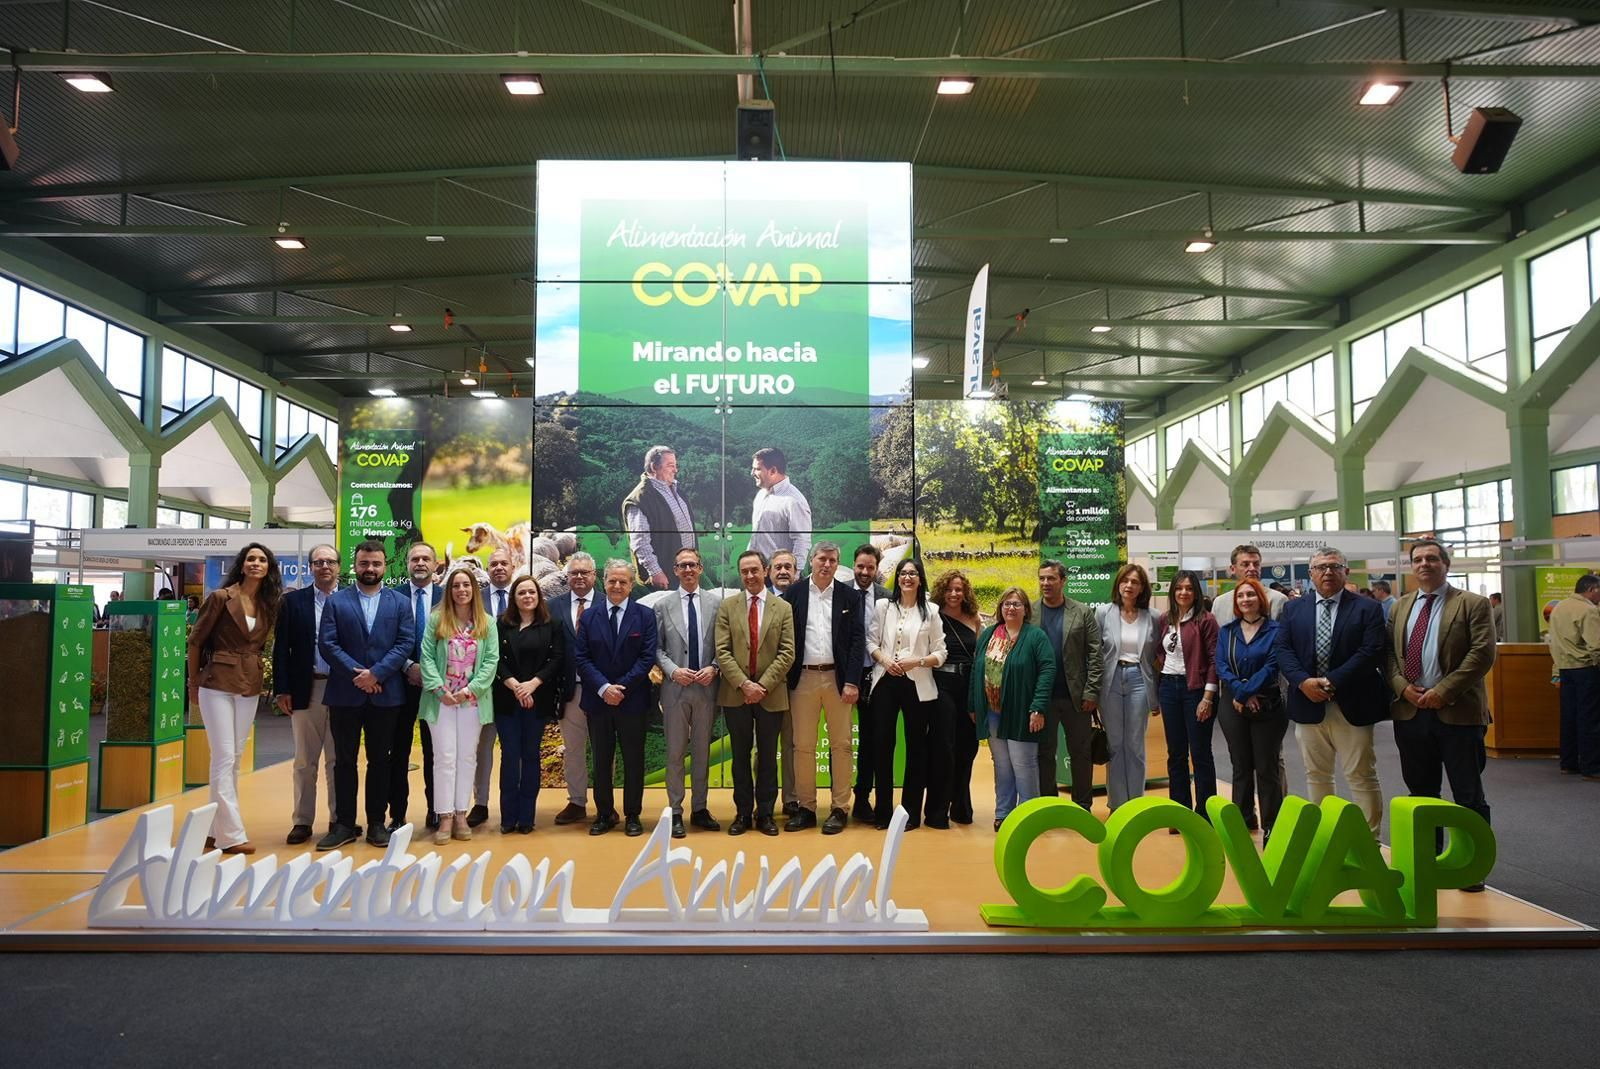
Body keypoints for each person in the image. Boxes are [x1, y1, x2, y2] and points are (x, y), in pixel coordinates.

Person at [1387, 539, 1496, 889]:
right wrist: (1403, 687)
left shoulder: (1472, 604)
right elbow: (1388, 656)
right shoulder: (1400, 607)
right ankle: (1428, 861)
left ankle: (1471, 867)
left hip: (1458, 713)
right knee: (1421, 793)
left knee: (1467, 794)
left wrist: (1442, 691)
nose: (1424, 564)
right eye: (1417, 559)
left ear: (1445, 564)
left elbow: (1481, 655)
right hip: (1411, 711)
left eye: (1432, 558)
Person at [1274, 546, 1390, 836]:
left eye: (1334, 567)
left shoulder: (1368, 608)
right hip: (1308, 704)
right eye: (1321, 567)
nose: (1328, 572)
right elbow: (1283, 650)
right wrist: (1303, 682)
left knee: (1361, 776)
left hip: (1353, 704)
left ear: (1346, 572)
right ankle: (1328, 837)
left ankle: (1368, 842)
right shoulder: (1293, 608)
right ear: (1311, 574)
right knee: (1317, 776)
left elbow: (1371, 651)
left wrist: (1330, 681)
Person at [316, 540, 415, 851]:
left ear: (385, 567)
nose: (370, 569)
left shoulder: (399, 603)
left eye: (375, 564)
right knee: (343, 761)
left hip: (386, 695)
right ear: (354, 566)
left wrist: (377, 674)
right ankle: (344, 823)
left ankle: (376, 822)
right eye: (364, 563)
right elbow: (328, 644)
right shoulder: (337, 602)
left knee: (380, 761)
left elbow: (404, 643)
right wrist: (359, 675)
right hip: (346, 694)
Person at [186, 542, 282, 856]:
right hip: (217, 680)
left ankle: (215, 831)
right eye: (251, 558)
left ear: (268, 568)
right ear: (242, 565)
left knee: (234, 759)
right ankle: (231, 835)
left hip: (250, 682)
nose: (256, 563)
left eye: (262, 559)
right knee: (224, 757)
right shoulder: (220, 598)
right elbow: (196, 641)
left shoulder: (269, 604)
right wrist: (193, 683)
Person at [781, 541, 865, 834]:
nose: (826, 564)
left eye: (831, 560)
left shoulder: (849, 597)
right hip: (801, 679)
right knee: (802, 746)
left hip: (838, 681)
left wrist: (852, 681)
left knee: (841, 746)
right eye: (821, 559)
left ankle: (840, 808)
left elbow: (857, 642)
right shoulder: (793, 594)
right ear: (811, 561)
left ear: (837, 563)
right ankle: (806, 808)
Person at [574, 558, 659, 836]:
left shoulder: (644, 616)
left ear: (632, 585)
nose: (617, 585)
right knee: (601, 760)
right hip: (598, 702)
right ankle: (603, 814)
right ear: (604, 582)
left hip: (632, 701)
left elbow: (646, 658)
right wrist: (603, 688)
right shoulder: (589, 616)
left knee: (633, 760)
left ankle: (633, 815)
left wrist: (620, 688)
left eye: (623, 581)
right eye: (612, 580)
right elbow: (582, 657)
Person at [715, 550, 797, 837]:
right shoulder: (728, 606)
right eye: (744, 571)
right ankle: (741, 814)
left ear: (765, 570)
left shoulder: (782, 608)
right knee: (739, 757)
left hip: (770, 695)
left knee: (766, 757)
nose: (750, 576)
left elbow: (788, 653)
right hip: (736, 694)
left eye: (754, 570)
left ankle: (765, 814)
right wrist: (744, 684)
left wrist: (762, 686)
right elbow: (722, 652)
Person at [1210, 544, 1289, 831]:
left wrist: (1252, 691)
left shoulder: (1278, 608)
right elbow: (1220, 663)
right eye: (1245, 563)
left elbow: (1275, 661)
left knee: (1269, 765)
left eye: (1256, 563)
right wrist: (1240, 692)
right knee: (1240, 764)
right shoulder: (1224, 617)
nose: (1251, 568)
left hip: (1268, 697)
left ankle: (1274, 825)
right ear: (1233, 568)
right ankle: (1243, 820)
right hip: (1233, 700)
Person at [419, 566, 500, 845]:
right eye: (456, 586)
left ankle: (462, 814)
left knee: (467, 758)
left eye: (466, 585)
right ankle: (445, 816)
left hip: (472, 701)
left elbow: (491, 662)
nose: (461, 590)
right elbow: (426, 656)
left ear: (474, 590)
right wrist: (439, 689)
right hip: (440, 700)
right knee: (444, 757)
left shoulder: (487, 622)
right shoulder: (436, 620)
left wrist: (469, 690)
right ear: (449, 590)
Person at [868, 557, 949, 830]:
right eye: (903, 573)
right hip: (886, 681)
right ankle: (882, 813)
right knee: (881, 747)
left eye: (912, 573)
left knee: (916, 748)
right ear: (897, 578)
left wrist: (919, 661)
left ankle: (910, 814)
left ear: (920, 578)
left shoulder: (932, 612)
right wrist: (885, 660)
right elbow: (871, 641)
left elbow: (941, 651)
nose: (907, 578)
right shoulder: (883, 606)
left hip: (918, 683)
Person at [970, 588, 1056, 830]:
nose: (1011, 608)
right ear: (1000, 607)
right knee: (1002, 765)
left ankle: (1029, 816)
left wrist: (1038, 708)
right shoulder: (988, 635)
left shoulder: (1035, 636)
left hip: (1022, 712)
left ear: (1025, 609)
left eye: (1017, 604)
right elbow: (976, 670)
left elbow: (1047, 671)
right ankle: (1004, 813)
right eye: (1007, 603)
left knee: (1024, 764)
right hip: (992, 713)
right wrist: (973, 704)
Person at [273, 543, 342, 845]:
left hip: (343, 690)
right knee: (304, 760)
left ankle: (340, 819)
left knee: (339, 760)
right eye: (318, 562)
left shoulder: (352, 599)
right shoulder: (293, 602)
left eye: (329, 561)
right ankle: (302, 820)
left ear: (339, 567)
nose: (324, 566)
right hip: (306, 688)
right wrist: (282, 689)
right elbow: (281, 649)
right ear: (310, 568)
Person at [654, 547, 723, 838]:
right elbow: (655, 648)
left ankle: (700, 808)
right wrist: (672, 670)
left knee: (702, 752)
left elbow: (725, 644)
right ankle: (676, 811)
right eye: (683, 565)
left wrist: (715, 667)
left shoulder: (717, 604)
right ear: (675, 570)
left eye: (693, 564)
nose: (688, 570)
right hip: (675, 689)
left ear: (701, 567)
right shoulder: (662, 605)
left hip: (706, 689)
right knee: (675, 752)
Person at [495, 574, 563, 835]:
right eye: (521, 592)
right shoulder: (501, 624)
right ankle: (507, 817)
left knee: (531, 756)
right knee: (510, 757)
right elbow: (495, 658)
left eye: (531, 592)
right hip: (507, 700)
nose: (527, 597)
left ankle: (526, 818)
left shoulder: (551, 625)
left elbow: (556, 659)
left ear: (538, 596)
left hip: (537, 699)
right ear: (514, 597)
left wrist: (532, 685)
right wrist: (514, 685)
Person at [1036, 560, 1103, 807]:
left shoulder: (1082, 612)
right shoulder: (1030, 612)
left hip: (1077, 698)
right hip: (1043, 699)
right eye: (1042, 578)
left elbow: (1096, 653)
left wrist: (1092, 691)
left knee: (1081, 754)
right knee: (1044, 754)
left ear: (1063, 581)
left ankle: (1083, 806)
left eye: (1051, 578)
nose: (1046, 583)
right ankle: (1049, 806)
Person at [1094, 563, 1160, 813]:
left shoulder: (1152, 616)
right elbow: (1096, 654)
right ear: (1118, 584)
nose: (1129, 586)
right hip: (1111, 681)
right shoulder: (1103, 613)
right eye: (1125, 581)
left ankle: (1136, 803)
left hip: (1139, 681)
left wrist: (1158, 696)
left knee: (1134, 745)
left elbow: (1159, 655)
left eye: (1135, 582)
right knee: (1115, 745)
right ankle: (1117, 804)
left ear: (1142, 587)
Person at [1154, 570, 1220, 817]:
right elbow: (1162, 653)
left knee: (1201, 753)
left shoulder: (1206, 620)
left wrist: (1208, 697)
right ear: (1173, 591)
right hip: (1169, 689)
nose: (1184, 592)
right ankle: (1180, 812)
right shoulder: (1165, 619)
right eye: (1179, 588)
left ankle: (1205, 812)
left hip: (1196, 691)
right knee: (1176, 753)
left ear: (1196, 593)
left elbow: (1215, 660)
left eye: (1189, 588)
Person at [391, 542, 441, 832]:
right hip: (400, 684)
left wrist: (430, 673)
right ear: (407, 564)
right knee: (398, 751)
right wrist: (408, 666)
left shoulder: (448, 597)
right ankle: (397, 815)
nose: (420, 563)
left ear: (435, 565)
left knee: (436, 752)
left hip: (437, 687)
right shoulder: (392, 597)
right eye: (414, 559)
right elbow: (386, 639)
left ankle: (436, 810)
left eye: (425, 558)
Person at [466, 547, 517, 829]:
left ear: (513, 566)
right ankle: (480, 802)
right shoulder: (475, 601)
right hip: (481, 687)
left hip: (513, 688)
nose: (498, 568)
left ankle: (512, 804)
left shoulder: (525, 597)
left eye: (503, 563)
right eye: (493, 564)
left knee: (513, 750)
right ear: (487, 569)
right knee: (482, 747)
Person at [547, 553, 597, 826]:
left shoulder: (607, 603)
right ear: (567, 576)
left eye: (584, 572)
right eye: (574, 573)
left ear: (594, 576)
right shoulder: (553, 607)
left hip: (602, 691)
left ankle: (605, 802)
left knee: (604, 749)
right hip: (569, 691)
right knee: (573, 749)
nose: (579, 577)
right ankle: (577, 801)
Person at [932, 570, 982, 825]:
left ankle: (961, 805)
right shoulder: (933, 615)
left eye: (959, 589)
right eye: (950, 589)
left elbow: (980, 655)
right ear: (942, 590)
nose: (954, 594)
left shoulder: (974, 618)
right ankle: (939, 808)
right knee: (945, 747)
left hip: (968, 685)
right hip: (941, 685)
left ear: (965, 592)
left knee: (968, 747)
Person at [848, 543, 889, 824]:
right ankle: (838, 802)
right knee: (841, 742)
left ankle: (863, 800)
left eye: (870, 568)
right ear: (854, 565)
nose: (865, 572)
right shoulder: (840, 594)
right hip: (846, 676)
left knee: (873, 742)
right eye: (861, 566)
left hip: (876, 676)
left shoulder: (887, 598)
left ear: (877, 569)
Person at [1546, 573, 1600, 780]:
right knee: (1590, 718)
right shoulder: (1588, 610)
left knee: (1569, 717)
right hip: (1586, 669)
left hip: (1565, 669)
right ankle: (1592, 767)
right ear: (1592, 589)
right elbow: (1596, 645)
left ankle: (1568, 763)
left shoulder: (1559, 607)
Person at [621, 445, 697, 591]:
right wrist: (656, 572)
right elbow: (640, 542)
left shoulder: (677, 491)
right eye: (670, 466)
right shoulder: (640, 499)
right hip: (665, 579)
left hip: (685, 573)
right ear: (654, 467)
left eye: (675, 466)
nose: (675, 470)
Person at [767, 547, 801, 818]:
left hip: (795, 686)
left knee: (792, 745)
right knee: (762, 749)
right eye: (778, 567)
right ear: (769, 572)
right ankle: (762, 801)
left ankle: (791, 799)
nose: (783, 571)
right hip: (764, 688)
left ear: (796, 572)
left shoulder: (803, 601)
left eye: (788, 567)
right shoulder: (759, 602)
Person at [748, 446, 813, 569]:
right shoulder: (761, 494)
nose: (752, 473)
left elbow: (802, 541)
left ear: (772, 471)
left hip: (778, 576)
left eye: (757, 469)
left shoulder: (794, 501)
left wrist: (794, 575)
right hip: (757, 571)